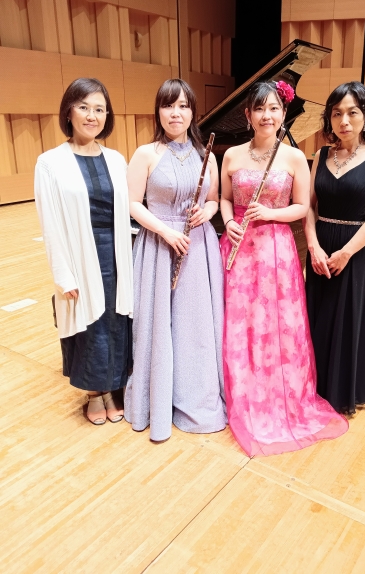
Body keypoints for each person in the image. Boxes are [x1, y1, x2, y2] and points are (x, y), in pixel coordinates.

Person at [219, 80, 348, 457]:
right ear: (248, 115)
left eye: (273, 108)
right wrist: (229, 221)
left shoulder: (293, 157)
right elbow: (225, 200)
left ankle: (279, 394)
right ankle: (242, 392)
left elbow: (302, 207)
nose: (267, 115)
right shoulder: (232, 155)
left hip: (276, 251)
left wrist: (271, 213)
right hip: (240, 248)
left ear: (283, 113)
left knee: (277, 325)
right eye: (259, 109)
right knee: (242, 324)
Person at [124, 78, 227, 442]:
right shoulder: (145, 154)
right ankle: (156, 398)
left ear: (192, 112)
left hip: (197, 246)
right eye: (168, 105)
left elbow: (214, 200)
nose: (175, 113)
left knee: (193, 324)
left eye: (183, 106)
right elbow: (132, 204)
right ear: (158, 111)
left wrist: (206, 212)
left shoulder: (206, 155)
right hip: (158, 244)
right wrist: (166, 232)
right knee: (157, 324)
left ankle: (194, 395)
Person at [35, 78, 133, 425]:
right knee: (90, 326)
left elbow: (128, 211)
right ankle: (95, 393)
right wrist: (63, 274)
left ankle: (114, 386)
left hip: (117, 254)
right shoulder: (50, 163)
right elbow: (50, 223)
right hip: (79, 254)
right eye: (84, 107)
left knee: (116, 322)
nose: (92, 116)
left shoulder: (117, 159)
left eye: (100, 109)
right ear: (69, 112)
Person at [304, 81, 365, 414]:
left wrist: (346, 252)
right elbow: (309, 206)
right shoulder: (321, 155)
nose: (344, 121)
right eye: (336, 113)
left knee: (347, 320)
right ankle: (315, 386)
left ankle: (342, 391)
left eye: (352, 112)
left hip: (354, 251)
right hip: (320, 248)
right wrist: (313, 245)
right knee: (318, 317)